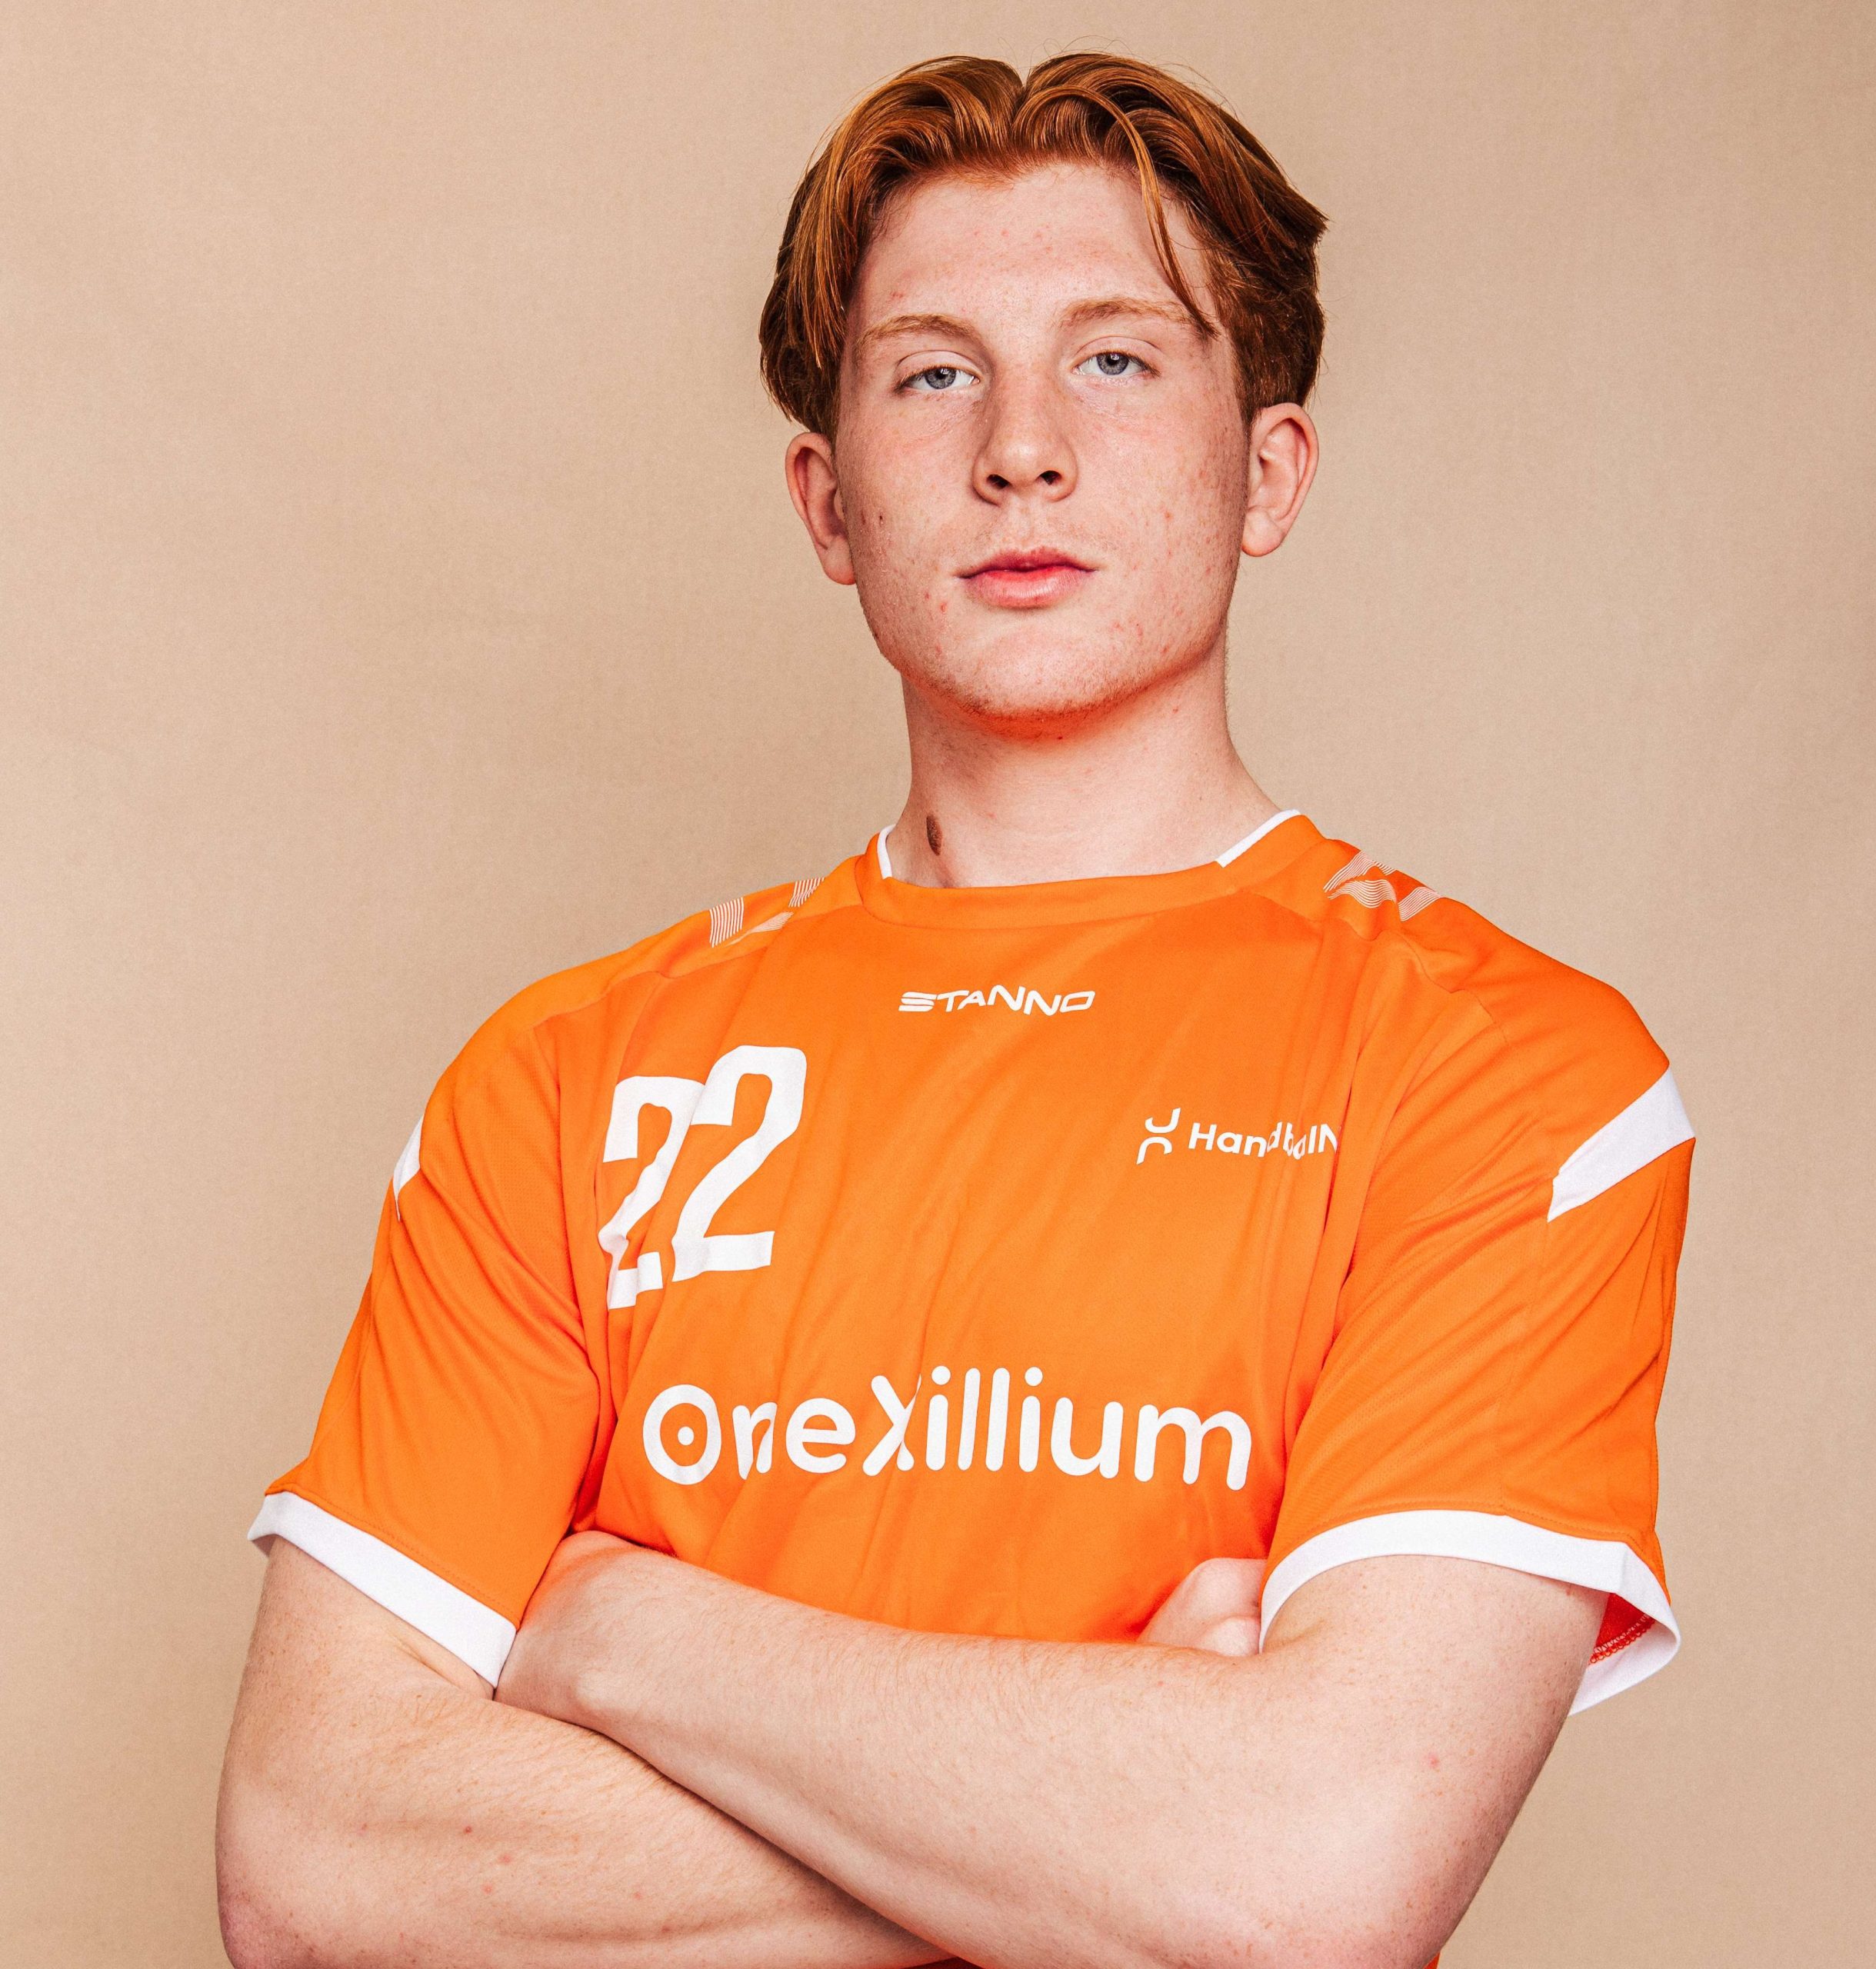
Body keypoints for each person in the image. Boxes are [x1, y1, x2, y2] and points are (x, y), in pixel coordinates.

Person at [216, 52, 1694, 1969]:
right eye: (931, 373)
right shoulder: (560, 1084)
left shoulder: (1510, 1080)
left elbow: (1308, 1880)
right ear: (826, 501)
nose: (1021, 450)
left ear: (1266, 470)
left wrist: (622, 1633)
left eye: (1114, 359)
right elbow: (311, 1864)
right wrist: (1117, 1801)